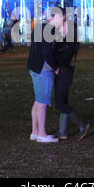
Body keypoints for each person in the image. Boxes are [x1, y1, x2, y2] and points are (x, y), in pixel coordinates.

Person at [53, 8, 90, 141]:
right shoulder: (59, 33)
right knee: (63, 101)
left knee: (59, 103)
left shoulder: (70, 37)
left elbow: (63, 54)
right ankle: (62, 131)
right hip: (60, 70)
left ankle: (82, 124)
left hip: (64, 71)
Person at [27, 10, 61, 143]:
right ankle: (42, 133)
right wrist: (55, 66)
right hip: (43, 69)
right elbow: (47, 52)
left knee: (37, 101)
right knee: (42, 103)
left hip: (33, 66)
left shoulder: (38, 26)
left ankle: (35, 132)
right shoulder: (49, 29)